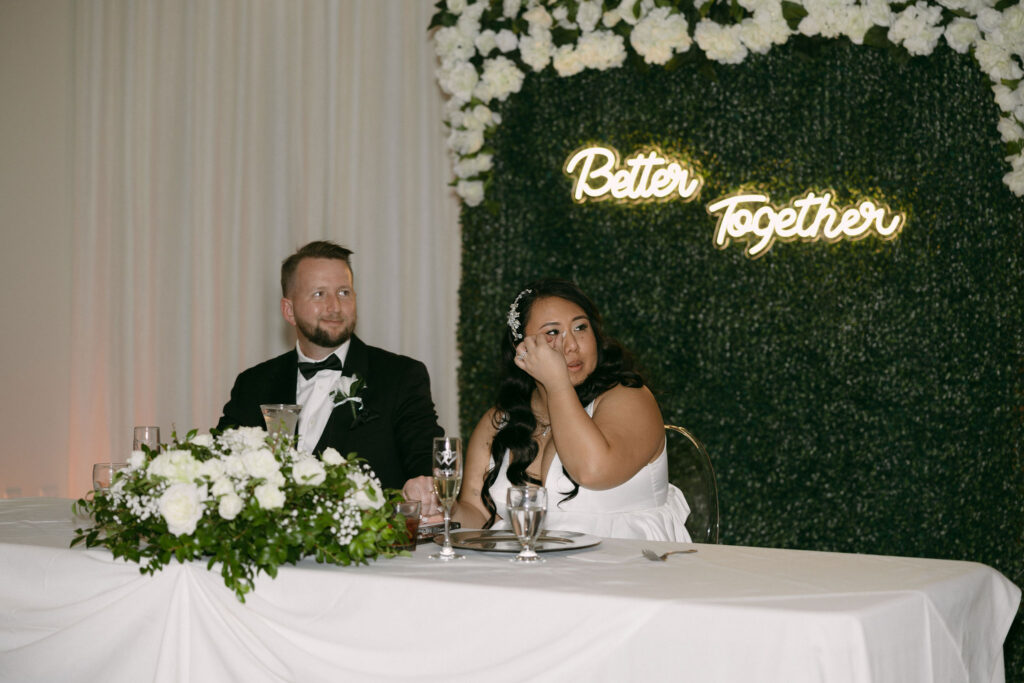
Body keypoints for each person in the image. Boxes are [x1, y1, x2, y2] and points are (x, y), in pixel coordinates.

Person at [452, 278, 691, 542]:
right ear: (521, 348)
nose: (572, 345)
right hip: (525, 573)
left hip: (622, 569)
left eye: (580, 327)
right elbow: (477, 513)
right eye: (552, 333)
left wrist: (557, 384)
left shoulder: (629, 397)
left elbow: (592, 470)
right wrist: (440, 511)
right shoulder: (500, 420)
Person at [217, 240, 443, 493]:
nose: (335, 307)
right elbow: (218, 467)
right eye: (319, 294)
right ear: (288, 310)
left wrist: (427, 486)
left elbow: (427, 465)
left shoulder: (400, 376)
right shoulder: (253, 384)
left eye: (344, 292)